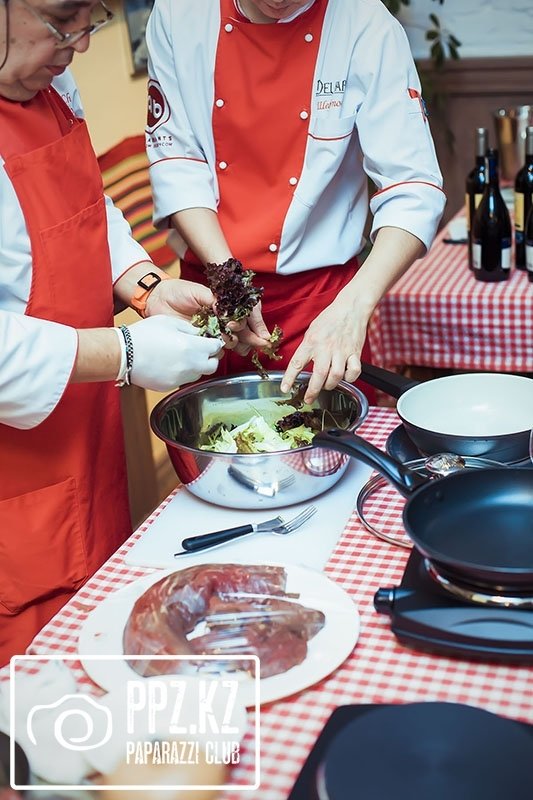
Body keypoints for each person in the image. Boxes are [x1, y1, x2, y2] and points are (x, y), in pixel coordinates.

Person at [0, 0, 232, 666]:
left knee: (101, 650)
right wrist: (125, 352)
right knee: (38, 690)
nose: (79, 44)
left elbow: (84, 210)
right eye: (62, 20)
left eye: (92, 21)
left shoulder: (47, 74)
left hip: (85, 443)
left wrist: (146, 288)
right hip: (15, 483)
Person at [145, 0, 446, 404]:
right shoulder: (178, 13)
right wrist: (229, 282)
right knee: (212, 435)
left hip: (322, 304)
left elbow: (412, 186)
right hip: (208, 298)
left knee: (333, 439)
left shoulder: (366, 23)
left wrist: (354, 307)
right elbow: (178, 162)